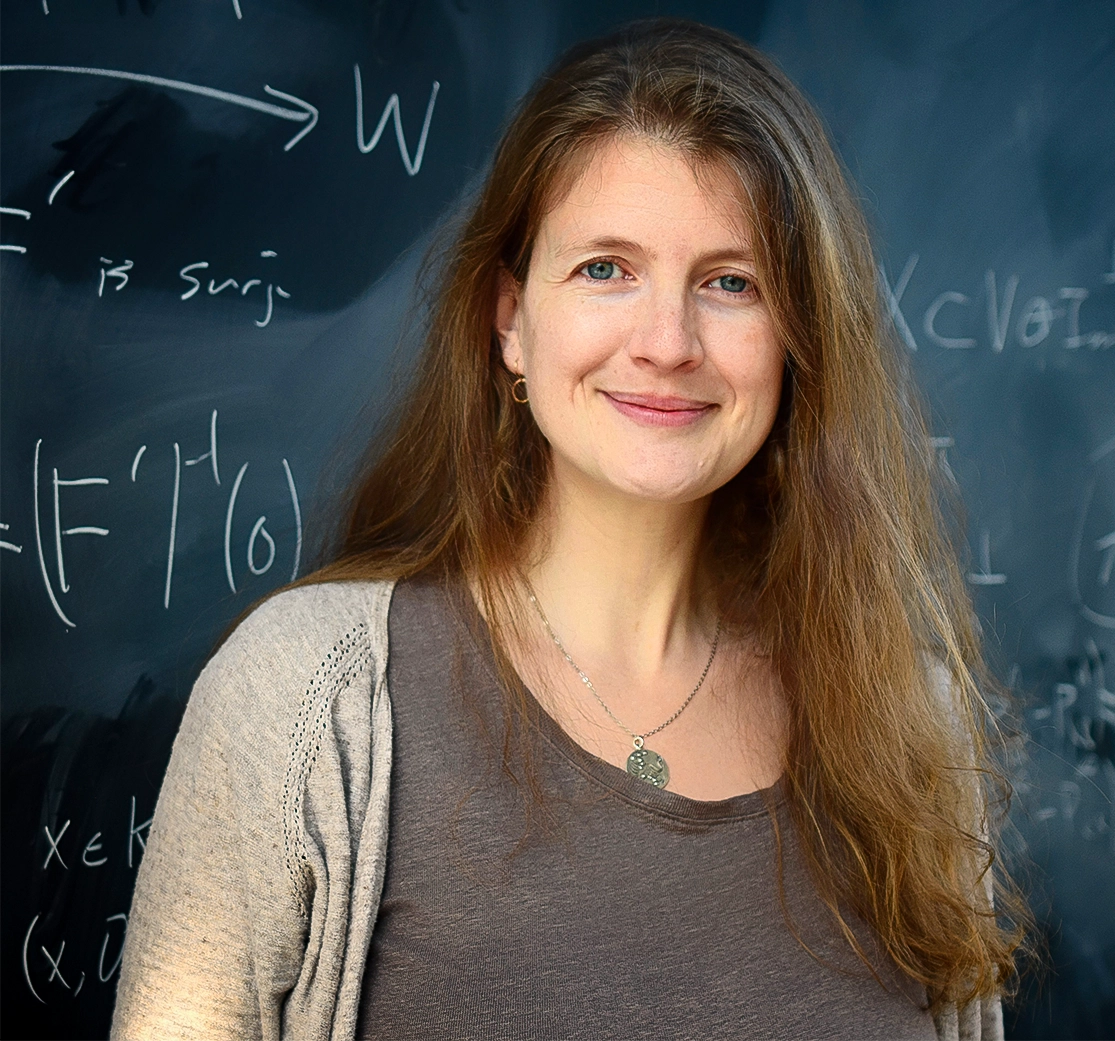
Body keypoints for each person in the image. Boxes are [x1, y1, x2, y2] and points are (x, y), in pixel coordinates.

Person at [110, 18, 1025, 1041]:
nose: (667, 343)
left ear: (798, 336)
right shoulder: (302, 700)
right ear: (509, 319)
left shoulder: (910, 731)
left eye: (732, 282)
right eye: (605, 269)